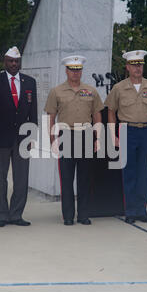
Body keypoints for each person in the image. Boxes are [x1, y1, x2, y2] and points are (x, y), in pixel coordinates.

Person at [105, 50, 147, 224]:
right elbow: (110, 111)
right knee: (129, 172)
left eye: (140, 65)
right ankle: (130, 211)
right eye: (134, 65)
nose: (138, 68)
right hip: (126, 131)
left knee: (143, 172)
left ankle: (142, 210)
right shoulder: (119, 88)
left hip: (146, 132)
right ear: (127, 67)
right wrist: (113, 134)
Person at [0, 46, 38, 228]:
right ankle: (1, 215)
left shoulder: (29, 82)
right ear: (4, 62)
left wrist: (32, 136)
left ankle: (16, 214)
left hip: (22, 138)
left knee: (22, 179)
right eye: (11, 61)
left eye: (17, 61)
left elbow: (33, 112)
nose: (14, 64)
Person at [45, 56, 103, 226]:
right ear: (66, 70)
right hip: (65, 135)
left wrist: (97, 138)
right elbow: (51, 117)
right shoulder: (57, 91)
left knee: (85, 178)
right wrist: (52, 140)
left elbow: (97, 116)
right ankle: (68, 215)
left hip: (85, 135)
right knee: (67, 179)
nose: (75, 73)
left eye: (78, 69)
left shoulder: (91, 91)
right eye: (72, 69)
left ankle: (83, 214)